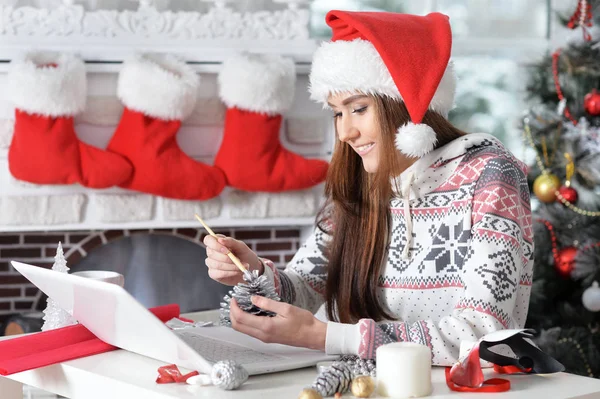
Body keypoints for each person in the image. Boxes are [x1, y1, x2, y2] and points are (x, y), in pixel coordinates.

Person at [204, 10, 533, 366]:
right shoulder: (361, 181)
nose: (345, 133)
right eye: (337, 113)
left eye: (358, 109)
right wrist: (253, 272)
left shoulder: (490, 174)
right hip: (363, 382)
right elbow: (304, 286)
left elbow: (486, 336)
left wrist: (327, 336)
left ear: (406, 105)